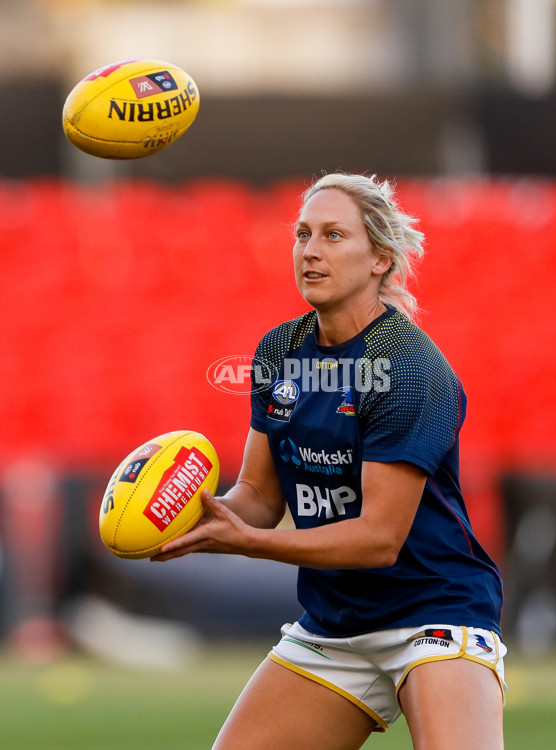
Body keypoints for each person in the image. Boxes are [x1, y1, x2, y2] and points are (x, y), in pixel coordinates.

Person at [152, 173, 507, 749]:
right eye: (302, 233)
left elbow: (377, 540)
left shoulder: (408, 368)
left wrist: (243, 542)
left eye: (334, 235)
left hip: (436, 614)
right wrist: (193, 513)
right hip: (335, 623)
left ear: (380, 260)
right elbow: (261, 496)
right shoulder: (280, 350)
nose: (311, 250)